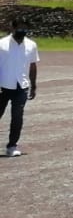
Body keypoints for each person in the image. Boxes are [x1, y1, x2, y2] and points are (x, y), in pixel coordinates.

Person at [0, 17, 40, 157]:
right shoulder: (2, 44)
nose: (22, 31)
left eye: (25, 28)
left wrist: (33, 85)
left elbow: (33, 65)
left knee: (17, 117)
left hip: (21, 86)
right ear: (13, 28)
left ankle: (12, 146)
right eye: (19, 28)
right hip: (3, 86)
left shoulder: (31, 45)